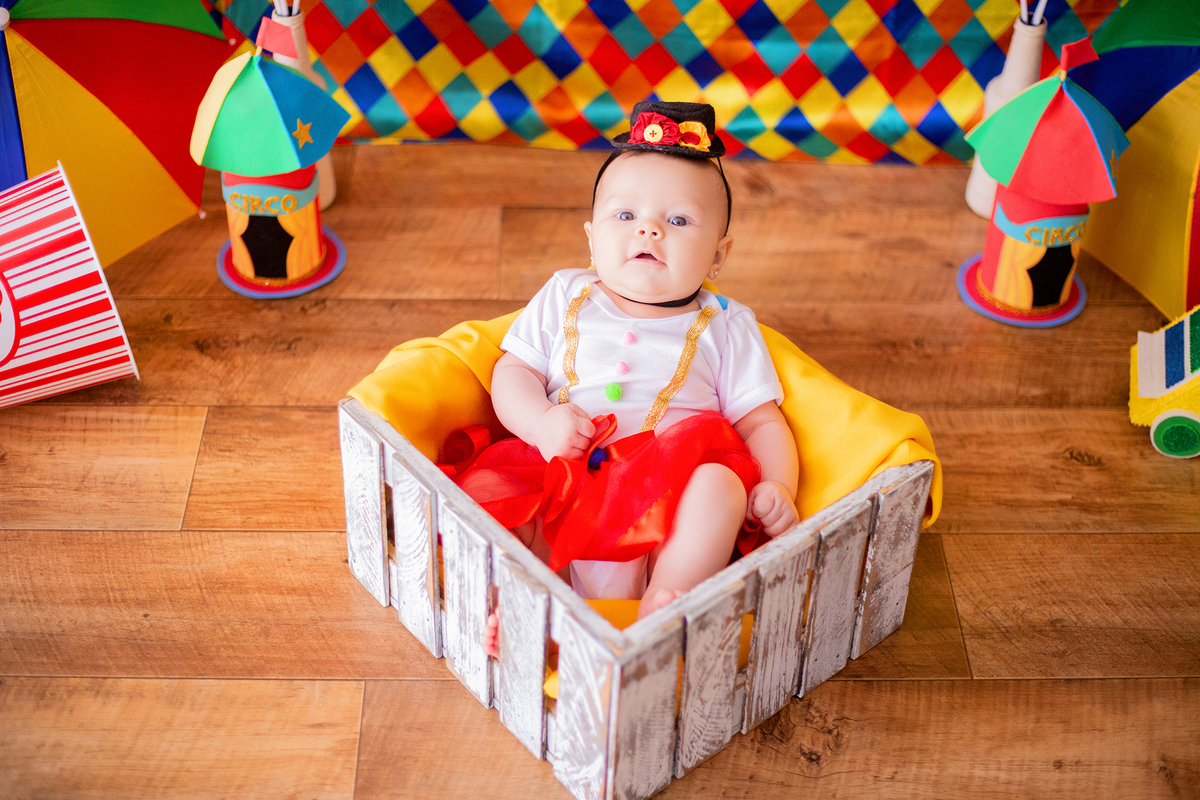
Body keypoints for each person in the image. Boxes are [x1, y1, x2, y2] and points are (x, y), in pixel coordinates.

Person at [456, 101, 800, 656]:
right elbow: (511, 372)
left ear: (718, 254)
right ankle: (526, 606)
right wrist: (541, 422)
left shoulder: (727, 325)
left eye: (679, 221)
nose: (649, 229)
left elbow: (762, 421)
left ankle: (668, 599)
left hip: (664, 495)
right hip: (565, 471)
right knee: (507, 504)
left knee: (721, 486)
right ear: (591, 239)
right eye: (625, 216)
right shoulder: (566, 293)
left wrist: (779, 485)